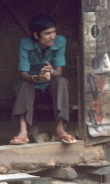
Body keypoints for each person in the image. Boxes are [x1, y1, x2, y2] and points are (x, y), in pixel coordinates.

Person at [10, 14, 75, 145]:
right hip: (32, 88)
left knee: (61, 81)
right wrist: (37, 77)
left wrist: (50, 72)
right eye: (47, 33)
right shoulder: (25, 43)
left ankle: (60, 129)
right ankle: (23, 132)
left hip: (51, 89)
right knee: (24, 84)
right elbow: (23, 74)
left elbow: (59, 72)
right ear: (36, 35)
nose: (53, 36)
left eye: (54, 32)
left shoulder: (60, 41)